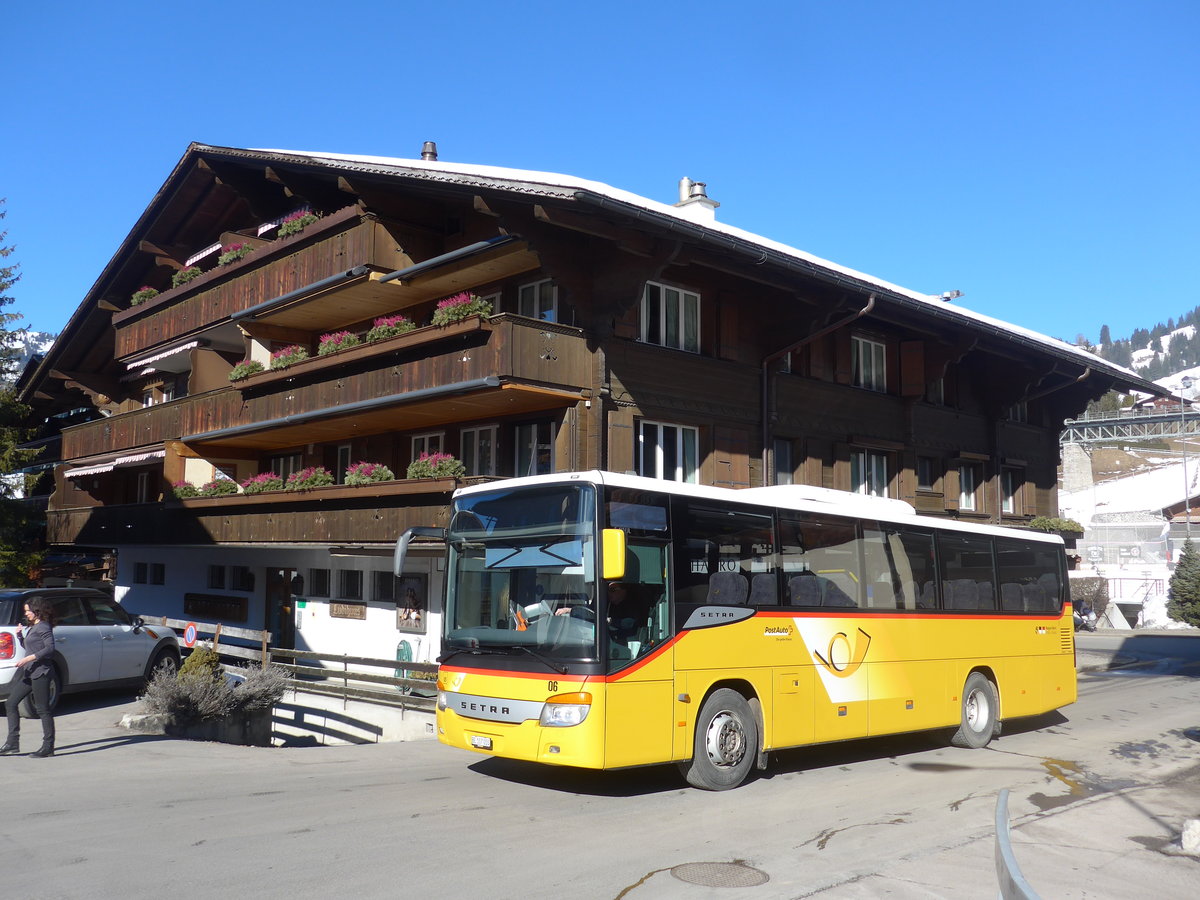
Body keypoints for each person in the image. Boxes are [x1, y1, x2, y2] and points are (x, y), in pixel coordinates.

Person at [2, 596, 58, 758]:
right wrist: (20, 637)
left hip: (41, 673)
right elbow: (31, 646)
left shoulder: (44, 627)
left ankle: (48, 747)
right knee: (11, 703)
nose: (26, 614)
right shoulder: (34, 627)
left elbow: (50, 649)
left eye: (28, 611)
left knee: (42, 709)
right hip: (30, 672)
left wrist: (28, 658)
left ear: (37, 610)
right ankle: (12, 744)